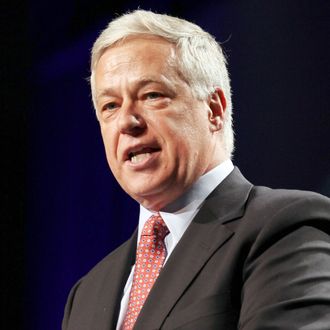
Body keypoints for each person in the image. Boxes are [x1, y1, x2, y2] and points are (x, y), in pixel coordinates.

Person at [62, 10, 330, 330]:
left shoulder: (285, 227)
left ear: (214, 110)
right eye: (110, 106)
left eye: (151, 95)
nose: (127, 122)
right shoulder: (88, 292)